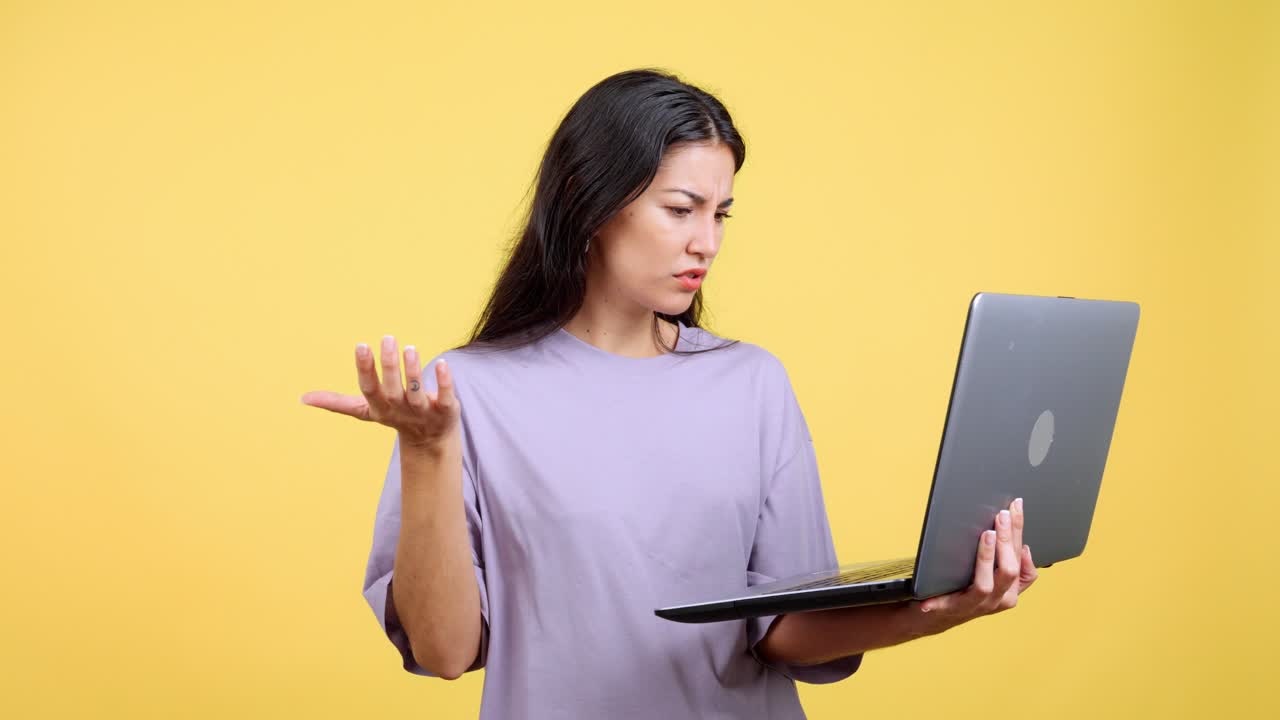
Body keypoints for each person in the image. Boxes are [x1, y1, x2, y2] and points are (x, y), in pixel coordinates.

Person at [300, 68, 1038, 719]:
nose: (706, 243)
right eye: (681, 209)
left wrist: (940, 609)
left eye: (720, 215)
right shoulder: (465, 396)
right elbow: (445, 650)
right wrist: (426, 449)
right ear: (589, 203)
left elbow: (783, 631)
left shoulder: (753, 384)